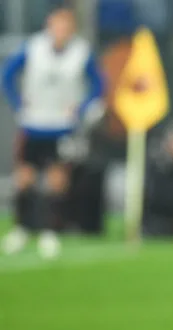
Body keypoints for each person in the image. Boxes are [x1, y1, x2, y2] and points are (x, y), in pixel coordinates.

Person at [1, 8, 104, 258]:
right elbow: (7, 74)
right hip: (33, 123)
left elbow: (99, 85)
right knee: (24, 177)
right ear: (49, 26)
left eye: (65, 27)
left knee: (56, 181)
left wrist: (82, 107)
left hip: (62, 125)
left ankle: (49, 230)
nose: (60, 32)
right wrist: (18, 103)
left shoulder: (81, 53)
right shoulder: (33, 47)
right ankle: (22, 228)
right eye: (57, 26)